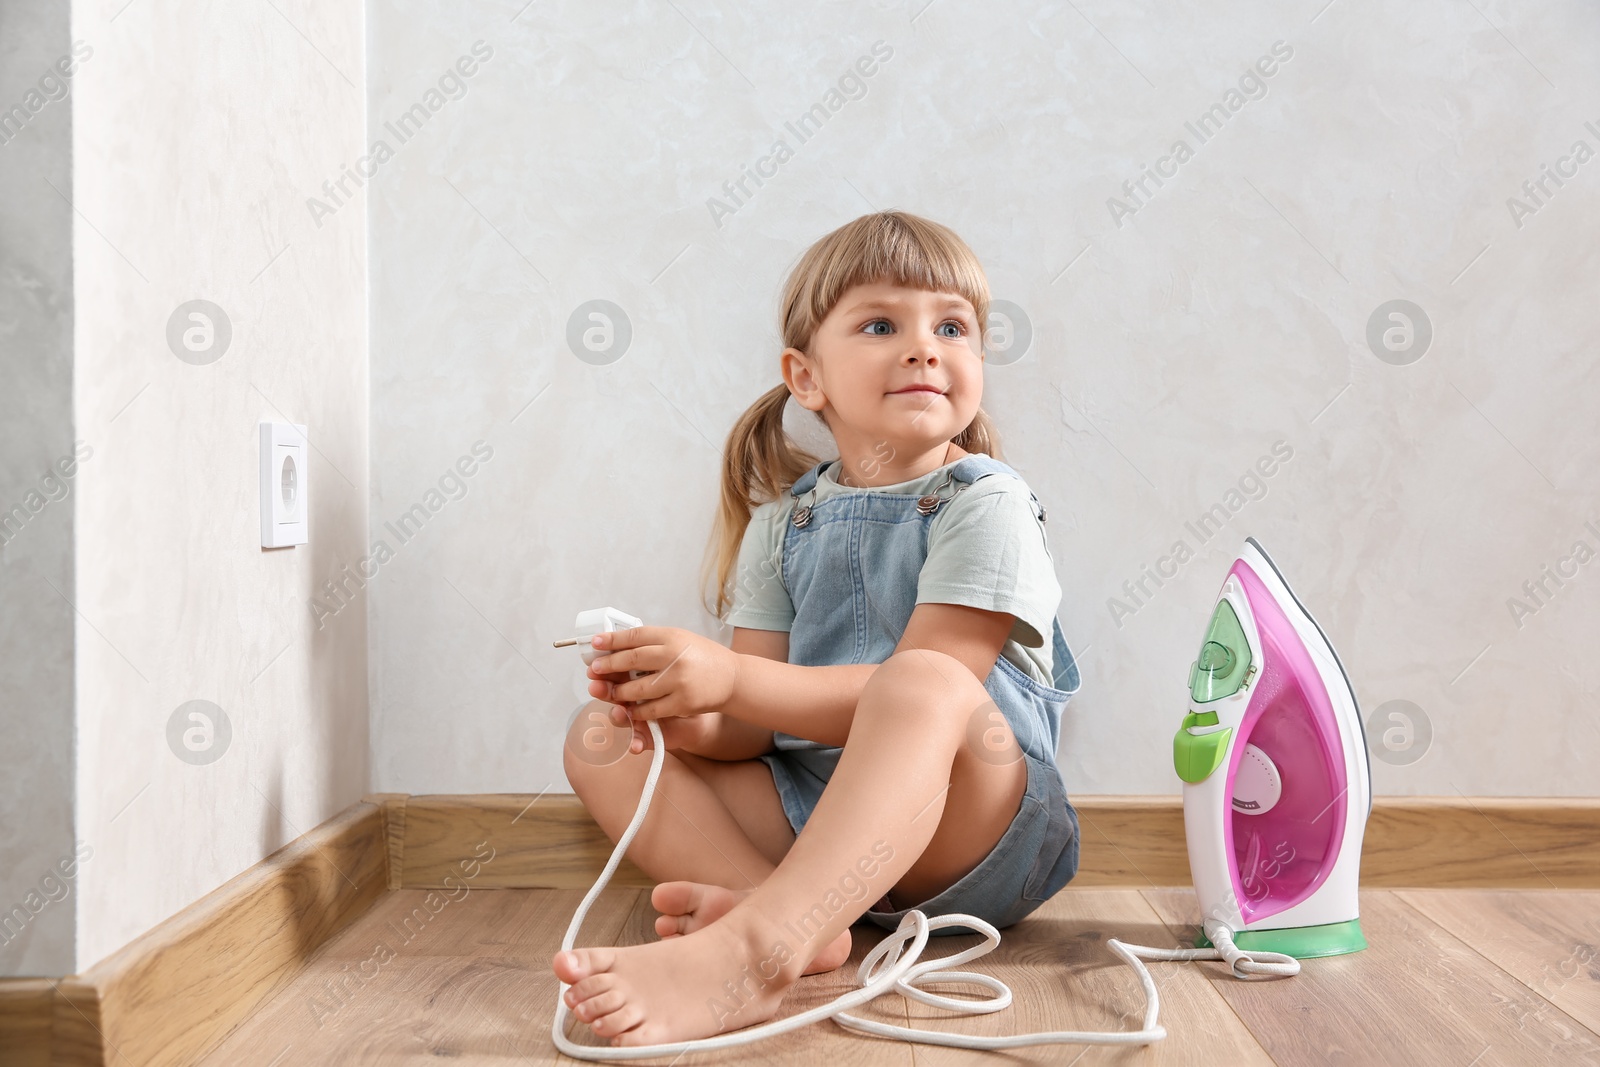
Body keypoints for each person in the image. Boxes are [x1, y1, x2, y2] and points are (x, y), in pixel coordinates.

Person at [554, 210, 1082, 1047]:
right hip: (814, 815)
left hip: (969, 828)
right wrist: (687, 704)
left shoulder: (988, 502)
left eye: (952, 326)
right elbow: (749, 727)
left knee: (927, 680)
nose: (924, 347)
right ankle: (800, 919)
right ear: (807, 377)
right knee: (600, 738)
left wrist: (731, 678)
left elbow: (926, 689)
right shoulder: (783, 523)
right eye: (881, 324)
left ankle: (761, 946)